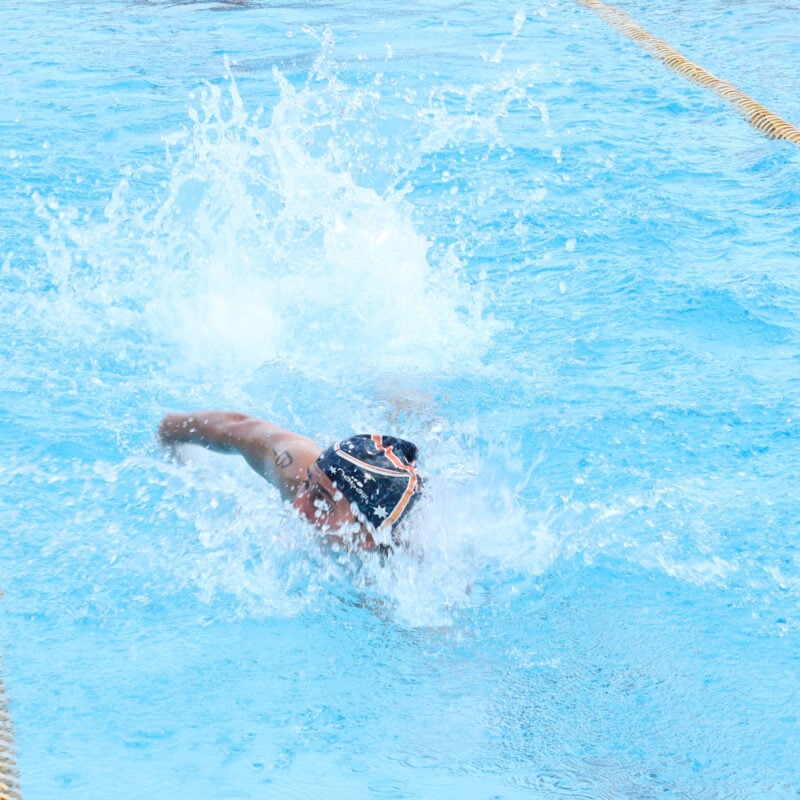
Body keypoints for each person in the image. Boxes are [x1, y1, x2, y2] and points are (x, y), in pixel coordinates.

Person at [158, 411, 423, 552]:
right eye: (309, 482)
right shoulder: (295, 469)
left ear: (366, 537)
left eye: (322, 502)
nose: (297, 504)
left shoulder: (408, 571)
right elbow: (240, 427)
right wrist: (170, 429)